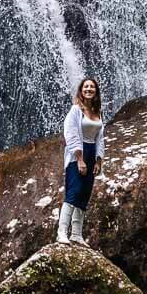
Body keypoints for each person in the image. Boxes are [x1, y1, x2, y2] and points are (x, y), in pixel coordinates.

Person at [57, 77, 105, 245]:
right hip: (77, 154)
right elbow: (70, 133)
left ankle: (76, 234)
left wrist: (99, 160)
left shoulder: (98, 112)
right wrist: (79, 158)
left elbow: (100, 138)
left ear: (96, 91)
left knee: (84, 194)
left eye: (92, 87)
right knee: (73, 192)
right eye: (86, 87)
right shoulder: (76, 110)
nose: (89, 89)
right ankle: (62, 232)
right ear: (81, 90)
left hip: (92, 154)